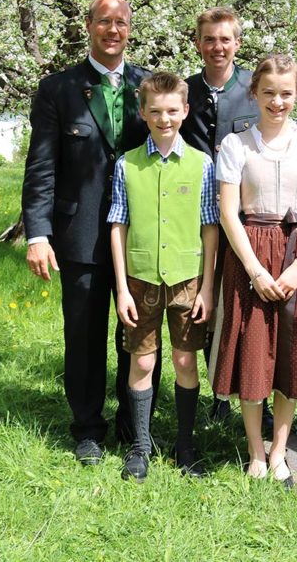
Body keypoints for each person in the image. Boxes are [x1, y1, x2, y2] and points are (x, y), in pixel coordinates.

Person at [22, 0, 160, 464]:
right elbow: (42, 167)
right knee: (82, 334)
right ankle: (87, 429)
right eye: (105, 21)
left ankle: (134, 426)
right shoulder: (58, 88)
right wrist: (38, 234)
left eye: (121, 22)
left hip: (143, 235)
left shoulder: (149, 86)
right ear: (89, 26)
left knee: (137, 332)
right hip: (78, 232)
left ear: (130, 28)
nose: (113, 30)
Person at [212, 54, 297, 487]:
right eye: (268, 93)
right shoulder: (235, 145)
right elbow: (229, 212)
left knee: (289, 354)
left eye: (286, 93)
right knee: (252, 354)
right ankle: (254, 451)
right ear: (254, 93)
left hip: (295, 257)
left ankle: (279, 450)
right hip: (248, 255)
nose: (277, 101)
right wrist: (254, 271)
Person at [108, 72, 219, 482]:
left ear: (186, 111)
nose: (164, 118)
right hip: (139, 280)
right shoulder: (127, 165)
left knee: (186, 358)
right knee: (142, 360)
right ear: (142, 112)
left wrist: (208, 287)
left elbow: (211, 228)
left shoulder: (202, 164)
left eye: (173, 110)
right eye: (155, 111)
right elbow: (118, 225)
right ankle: (140, 445)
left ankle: (185, 443)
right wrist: (121, 288)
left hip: (189, 279)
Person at [180, 7, 272, 429]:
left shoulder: (255, 89)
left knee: (250, 304)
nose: (218, 47)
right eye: (209, 39)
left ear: (237, 43)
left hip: (249, 214)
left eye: (225, 39)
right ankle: (218, 392)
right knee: (206, 300)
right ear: (198, 43)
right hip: (195, 213)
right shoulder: (184, 91)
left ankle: (260, 394)